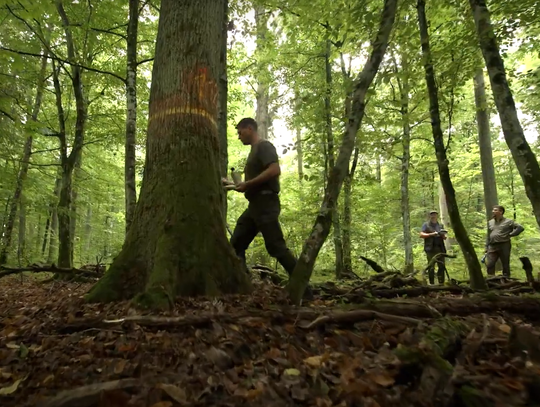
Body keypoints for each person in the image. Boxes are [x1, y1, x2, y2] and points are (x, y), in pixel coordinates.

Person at [224, 118, 312, 297]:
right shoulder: (253, 151)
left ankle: (304, 290)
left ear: (250, 129)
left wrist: (247, 184)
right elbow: (251, 184)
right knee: (236, 245)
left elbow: (274, 170)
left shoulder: (264, 146)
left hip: (266, 204)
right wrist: (234, 184)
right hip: (255, 205)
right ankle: (243, 285)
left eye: (241, 132)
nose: (239, 136)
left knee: (276, 247)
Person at [485, 205, 524, 277]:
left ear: (501, 212)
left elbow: (520, 228)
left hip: (504, 245)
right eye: (493, 210)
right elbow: (488, 235)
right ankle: (491, 279)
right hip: (492, 245)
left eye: (495, 210)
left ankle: (507, 279)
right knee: (490, 264)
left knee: (505, 264)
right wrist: (486, 246)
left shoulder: (508, 221)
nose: (493, 211)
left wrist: (511, 234)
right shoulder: (490, 222)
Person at [419, 210, 448, 284]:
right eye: (432, 215)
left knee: (441, 266)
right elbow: (421, 235)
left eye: (435, 214)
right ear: (429, 216)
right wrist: (431, 234)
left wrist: (443, 236)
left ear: (437, 216)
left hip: (440, 248)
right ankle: (432, 284)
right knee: (431, 266)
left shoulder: (440, 225)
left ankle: (441, 283)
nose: (433, 216)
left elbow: (444, 237)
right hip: (430, 249)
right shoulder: (426, 225)